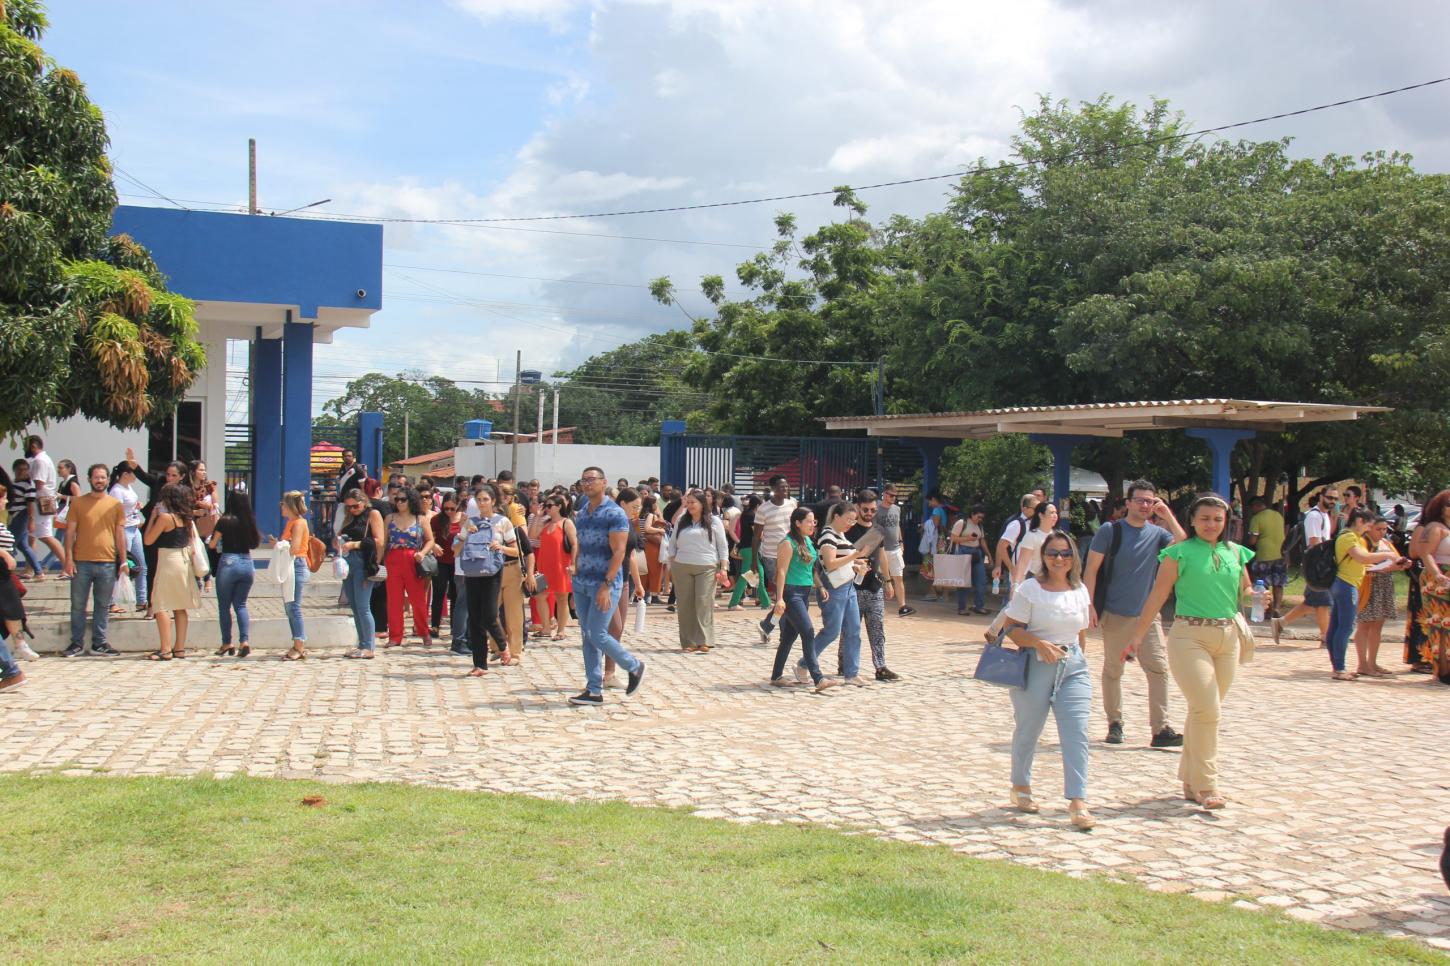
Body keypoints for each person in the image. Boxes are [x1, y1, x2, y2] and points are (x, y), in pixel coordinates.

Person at [1128, 494, 1255, 810]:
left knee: (1203, 711)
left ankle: (1189, 777)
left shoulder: (1236, 553)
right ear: (1193, 521)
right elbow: (1158, 595)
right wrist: (1139, 635)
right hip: (1189, 637)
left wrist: (1257, 598)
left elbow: (1245, 591)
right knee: (1209, 710)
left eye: (1217, 519)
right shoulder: (1178, 553)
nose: (1211, 524)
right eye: (1204, 519)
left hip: (1228, 637)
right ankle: (1207, 784)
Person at [999, 530, 1096, 829]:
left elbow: (1081, 632)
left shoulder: (1080, 590)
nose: (1059, 559)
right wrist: (1037, 644)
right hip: (1036, 665)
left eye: (1065, 553)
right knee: (1029, 729)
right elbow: (1011, 628)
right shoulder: (1030, 589)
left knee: (1076, 732)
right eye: (1053, 553)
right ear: (1043, 556)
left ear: (1074, 557)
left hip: (1073, 667)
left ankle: (1078, 800)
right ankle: (1020, 785)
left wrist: (1081, 657)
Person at [1084, 480, 1186, 749]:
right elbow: (1091, 569)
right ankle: (1115, 722)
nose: (1144, 506)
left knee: (1158, 669)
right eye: (1139, 500)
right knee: (1113, 670)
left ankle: (1160, 727)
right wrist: (1089, 605)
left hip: (1147, 617)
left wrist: (1169, 517)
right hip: (1116, 613)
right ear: (1127, 503)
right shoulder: (1110, 531)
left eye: (1150, 501)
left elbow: (1186, 546)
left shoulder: (1158, 535)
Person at [566, 467, 645, 706]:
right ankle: (593, 689)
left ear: (604, 482)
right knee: (587, 636)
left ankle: (633, 665)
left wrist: (606, 584)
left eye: (593, 479)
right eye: (584, 480)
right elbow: (579, 545)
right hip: (582, 582)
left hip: (604, 584)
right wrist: (575, 572)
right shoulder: (582, 513)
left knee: (597, 633)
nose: (588, 483)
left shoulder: (614, 513)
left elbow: (620, 551)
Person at [1324, 507, 1403, 681]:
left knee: (1337, 627)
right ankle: (1339, 668)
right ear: (1359, 521)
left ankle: (1337, 666)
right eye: (1368, 524)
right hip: (1346, 584)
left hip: (1346, 583)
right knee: (1345, 627)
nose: (1368, 528)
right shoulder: (1348, 537)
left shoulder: (1354, 537)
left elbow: (1361, 562)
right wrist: (1388, 555)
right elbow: (1362, 557)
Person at [62, 464, 126, 657]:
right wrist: (68, 559)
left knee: (103, 605)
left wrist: (123, 561)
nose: (99, 481)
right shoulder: (78, 503)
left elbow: (120, 534)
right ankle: (76, 643)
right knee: (78, 605)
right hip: (81, 562)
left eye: (103, 477)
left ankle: (99, 643)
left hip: (107, 562)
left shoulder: (115, 505)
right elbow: (70, 532)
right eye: (96, 477)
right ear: (89, 479)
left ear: (108, 480)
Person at [453, 483, 517, 676]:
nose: (482, 503)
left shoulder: (502, 521)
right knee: (474, 618)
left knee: (489, 615)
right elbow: (455, 551)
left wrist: (500, 547)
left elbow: (516, 550)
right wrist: (465, 535)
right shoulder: (470, 521)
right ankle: (479, 664)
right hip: (472, 571)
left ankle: (503, 645)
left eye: (485, 499)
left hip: (492, 572)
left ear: (493, 501)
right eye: (479, 500)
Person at [769, 507, 834, 692]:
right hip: (791, 593)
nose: (812, 525)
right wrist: (779, 598)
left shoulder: (807, 541)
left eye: (814, 522)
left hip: (804, 593)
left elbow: (812, 568)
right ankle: (818, 677)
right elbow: (781, 571)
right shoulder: (787, 543)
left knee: (789, 637)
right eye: (809, 521)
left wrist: (820, 586)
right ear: (797, 523)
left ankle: (776, 676)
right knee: (808, 631)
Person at [801, 502, 866, 685]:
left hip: (848, 585)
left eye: (853, 521)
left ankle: (851, 673)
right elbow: (829, 563)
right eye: (848, 519)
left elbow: (840, 562)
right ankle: (804, 663)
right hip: (834, 587)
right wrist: (855, 556)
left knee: (854, 629)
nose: (850, 524)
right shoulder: (828, 535)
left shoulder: (840, 534)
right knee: (831, 631)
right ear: (836, 516)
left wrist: (856, 565)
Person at [143, 482, 202, 660]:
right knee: (180, 606)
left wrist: (152, 517)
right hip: (184, 562)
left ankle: (165, 648)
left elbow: (148, 540)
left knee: (160, 604)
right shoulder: (187, 518)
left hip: (168, 560)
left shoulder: (165, 518)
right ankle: (179, 648)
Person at [847, 490, 900, 682]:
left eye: (873, 510)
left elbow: (882, 555)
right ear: (857, 507)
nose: (869, 513)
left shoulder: (878, 530)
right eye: (866, 509)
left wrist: (888, 581)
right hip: (852, 588)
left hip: (874, 586)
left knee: (877, 629)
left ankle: (880, 666)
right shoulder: (848, 531)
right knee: (850, 630)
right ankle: (844, 663)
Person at [667, 489, 729, 653]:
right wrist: (673, 561)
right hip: (682, 565)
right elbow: (672, 543)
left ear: (703, 503)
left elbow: (722, 547)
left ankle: (704, 640)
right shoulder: (682, 520)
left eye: (693, 502)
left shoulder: (715, 521)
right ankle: (689, 641)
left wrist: (724, 567)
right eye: (688, 502)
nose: (690, 505)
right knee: (685, 604)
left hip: (707, 566)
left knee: (703, 602)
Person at [1277, 488, 1339, 645]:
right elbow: (1314, 541)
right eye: (1329, 497)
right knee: (1323, 602)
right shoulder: (1313, 516)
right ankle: (1326, 638)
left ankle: (1280, 623)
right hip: (1316, 565)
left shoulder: (1324, 515)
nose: (1332, 501)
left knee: (1313, 602)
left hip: (1320, 564)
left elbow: (1325, 536)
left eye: (1335, 499)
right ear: (1321, 497)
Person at [602, 487, 649, 689]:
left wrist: (638, 584)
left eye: (639, 507)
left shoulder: (630, 523)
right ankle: (601, 673)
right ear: (622, 504)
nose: (636, 511)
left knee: (617, 631)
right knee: (612, 627)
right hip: (608, 580)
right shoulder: (610, 522)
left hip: (625, 581)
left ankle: (609, 674)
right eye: (634, 506)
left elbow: (630, 555)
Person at [1353, 515, 1411, 677]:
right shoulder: (1362, 542)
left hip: (1384, 587)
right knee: (1364, 625)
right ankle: (1362, 664)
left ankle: (1372, 662)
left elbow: (1395, 561)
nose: (1382, 532)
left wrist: (1402, 564)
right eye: (1378, 529)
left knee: (1377, 627)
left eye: (1385, 529)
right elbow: (1360, 562)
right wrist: (1377, 567)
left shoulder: (1386, 543)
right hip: (1368, 586)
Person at [208, 489, 260, 657]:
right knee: (241, 605)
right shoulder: (249, 522)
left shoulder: (225, 521)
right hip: (247, 562)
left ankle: (226, 643)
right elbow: (254, 544)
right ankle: (244, 641)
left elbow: (212, 544)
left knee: (224, 606)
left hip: (229, 561)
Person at [382, 486, 435, 649]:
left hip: (413, 559)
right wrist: (378, 562)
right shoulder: (389, 518)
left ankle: (424, 632)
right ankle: (395, 635)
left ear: (410, 500)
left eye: (403, 499)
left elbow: (430, 540)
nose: (399, 502)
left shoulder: (420, 519)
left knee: (418, 599)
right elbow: (384, 542)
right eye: (397, 499)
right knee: (394, 600)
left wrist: (423, 553)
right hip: (393, 559)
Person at [337, 488, 386, 660]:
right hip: (347, 563)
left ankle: (369, 646)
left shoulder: (373, 514)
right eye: (349, 507)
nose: (352, 509)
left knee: (364, 607)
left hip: (363, 562)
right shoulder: (350, 518)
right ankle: (361, 643)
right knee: (355, 607)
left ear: (364, 502)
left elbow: (379, 540)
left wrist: (355, 545)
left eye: (356, 506)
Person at [1413, 489, 1450, 683]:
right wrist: (1437, 574)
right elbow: (1425, 552)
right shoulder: (1435, 527)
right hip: (1438, 578)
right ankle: (1442, 670)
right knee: (1440, 625)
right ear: (1441, 508)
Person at [108, 462, 149, 615]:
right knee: (121, 564)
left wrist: (135, 507)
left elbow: (128, 505)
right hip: (124, 529)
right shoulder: (117, 491)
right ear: (126, 474)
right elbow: (114, 513)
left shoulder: (127, 488)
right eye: (133, 473)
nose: (136, 476)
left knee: (141, 565)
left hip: (134, 527)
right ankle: (111, 602)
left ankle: (141, 600)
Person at [278, 490, 314, 660]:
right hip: (292, 564)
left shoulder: (298, 523)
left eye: (283, 504)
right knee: (290, 606)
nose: (281, 507)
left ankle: (299, 644)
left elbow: (295, 547)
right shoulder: (292, 522)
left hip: (296, 564)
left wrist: (281, 545)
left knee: (293, 606)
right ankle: (298, 643)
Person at [534, 495, 576, 641]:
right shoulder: (545, 523)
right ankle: (546, 628)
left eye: (550, 505)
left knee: (562, 597)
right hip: (544, 566)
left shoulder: (566, 523)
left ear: (559, 506)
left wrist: (573, 564)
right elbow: (532, 535)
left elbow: (575, 543)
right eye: (546, 505)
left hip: (561, 565)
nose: (547, 508)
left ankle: (561, 630)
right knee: (540, 596)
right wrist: (538, 517)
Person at [754, 475, 797, 610]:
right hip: (771, 555)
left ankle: (785, 615)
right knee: (779, 587)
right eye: (781, 486)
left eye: (786, 486)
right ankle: (778, 618)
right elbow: (756, 536)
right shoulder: (763, 508)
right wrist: (754, 561)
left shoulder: (792, 504)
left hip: (791, 552)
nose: (785, 488)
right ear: (773, 489)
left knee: (790, 587)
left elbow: (797, 528)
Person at [25, 435, 66, 575]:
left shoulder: (40, 461)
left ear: (33, 446)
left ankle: (67, 566)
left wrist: (29, 497)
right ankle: (30, 568)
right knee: (31, 535)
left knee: (45, 535)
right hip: (43, 500)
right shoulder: (41, 460)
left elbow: (39, 484)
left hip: (42, 501)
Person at [429, 493, 466, 649]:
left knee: (457, 595)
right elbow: (429, 536)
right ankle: (435, 625)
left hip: (457, 561)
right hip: (441, 560)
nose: (449, 512)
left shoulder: (464, 518)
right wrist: (433, 545)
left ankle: (455, 626)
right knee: (438, 592)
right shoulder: (437, 520)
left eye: (452, 508)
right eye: (446, 509)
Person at [993, 493, 1041, 604]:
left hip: (1034, 573)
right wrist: (1011, 568)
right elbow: (1001, 546)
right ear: (1025, 509)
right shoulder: (1017, 524)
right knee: (1015, 606)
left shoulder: (1036, 525)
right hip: (1020, 575)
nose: (1038, 511)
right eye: (1035, 508)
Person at [1246, 496, 1287, 619]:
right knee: (1278, 583)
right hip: (1280, 554)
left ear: (1256, 506)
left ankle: (1267, 610)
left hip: (1264, 555)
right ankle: (1277, 608)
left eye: (1252, 507)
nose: (1252, 510)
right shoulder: (1278, 515)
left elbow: (1253, 540)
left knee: (1263, 584)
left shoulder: (1256, 518)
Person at [727, 494, 770, 611]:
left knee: (749, 577)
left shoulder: (746, 514)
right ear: (758, 505)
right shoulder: (752, 515)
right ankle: (734, 603)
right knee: (753, 576)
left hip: (747, 548)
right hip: (751, 549)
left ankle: (765, 602)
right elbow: (757, 533)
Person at [949, 505, 990, 615]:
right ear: (972, 514)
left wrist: (989, 555)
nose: (979, 519)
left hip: (976, 552)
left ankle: (979, 606)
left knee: (981, 581)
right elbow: (953, 538)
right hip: (963, 551)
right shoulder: (962, 523)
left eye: (982, 518)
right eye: (978, 517)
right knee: (964, 582)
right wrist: (968, 538)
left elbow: (982, 541)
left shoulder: (979, 526)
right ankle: (962, 608)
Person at [6, 459, 42, 578]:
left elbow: (30, 504)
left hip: (22, 516)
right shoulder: (13, 483)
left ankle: (7, 571)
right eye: (19, 469)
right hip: (13, 516)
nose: (22, 472)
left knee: (10, 544)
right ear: (14, 470)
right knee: (24, 546)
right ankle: (38, 572)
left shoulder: (28, 485)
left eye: (25, 469)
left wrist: (31, 520)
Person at [1012, 500, 1060, 588]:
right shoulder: (1032, 536)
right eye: (1052, 513)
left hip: (1055, 579)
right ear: (1041, 515)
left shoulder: (1058, 535)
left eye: (1056, 513)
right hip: (1036, 579)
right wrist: (1016, 584)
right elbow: (1022, 562)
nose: (1055, 516)